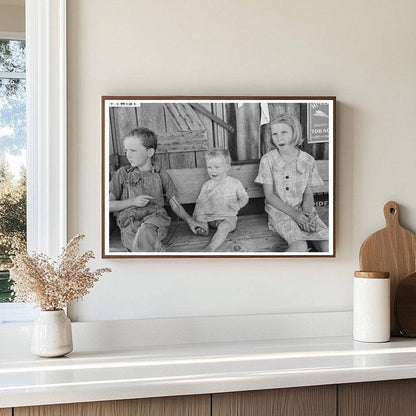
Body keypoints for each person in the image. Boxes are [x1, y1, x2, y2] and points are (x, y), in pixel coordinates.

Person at [109, 127, 200, 252]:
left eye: (133, 150)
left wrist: (190, 221)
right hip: (130, 223)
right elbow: (106, 205)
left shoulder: (161, 175)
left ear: (150, 152)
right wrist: (133, 202)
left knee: (146, 231)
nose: (127, 155)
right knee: (137, 243)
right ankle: (160, 256)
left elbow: (174, 205)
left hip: (155, 220)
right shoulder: (122, 174)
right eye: (126, 150)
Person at [255, 114, 329, 252]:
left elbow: (308, 193)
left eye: (284, 132)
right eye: (275, 134)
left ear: (294, 133)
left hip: (304, 210)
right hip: (279, 211)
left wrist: (307, 216)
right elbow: (269, 196)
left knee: (328, 245)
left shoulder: (308, 160)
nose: (279, 138)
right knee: (300, 246)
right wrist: (295, 215)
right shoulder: (268, 160)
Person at [193, 148, 249, 252]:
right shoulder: (207, 185)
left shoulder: (234, 183)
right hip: (210, 217)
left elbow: (244, 197)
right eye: (209, 167)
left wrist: (239, 204)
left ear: (227, 167)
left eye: (217, 167)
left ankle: (211, 247)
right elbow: (199, 202)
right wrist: (197, 217)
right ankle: (203, 228)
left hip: (228, 218)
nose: (212, 171)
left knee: (224, 227)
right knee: (201, 218)